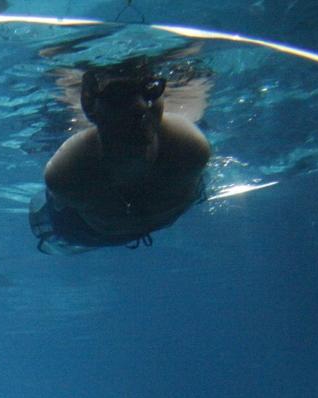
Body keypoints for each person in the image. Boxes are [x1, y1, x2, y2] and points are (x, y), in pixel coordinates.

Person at [30, 57, 211, 253]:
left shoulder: (190, 149)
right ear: (88, 105)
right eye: (120, 95)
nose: (141, 106)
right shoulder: (67, 174)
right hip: (85, 231)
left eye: (151, 89)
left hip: (98, 227)